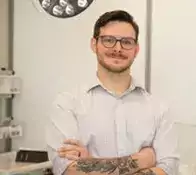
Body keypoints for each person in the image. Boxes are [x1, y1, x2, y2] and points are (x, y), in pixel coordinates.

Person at [45, 10, 179, 175]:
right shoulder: (67, 104)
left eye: (127, 42)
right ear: (94, 44)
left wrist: (90, 164)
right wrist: (142, 159)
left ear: (136, 50)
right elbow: (67, 169)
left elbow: (168, 169)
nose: (117, 48)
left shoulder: (158, 108)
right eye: (108, 40)